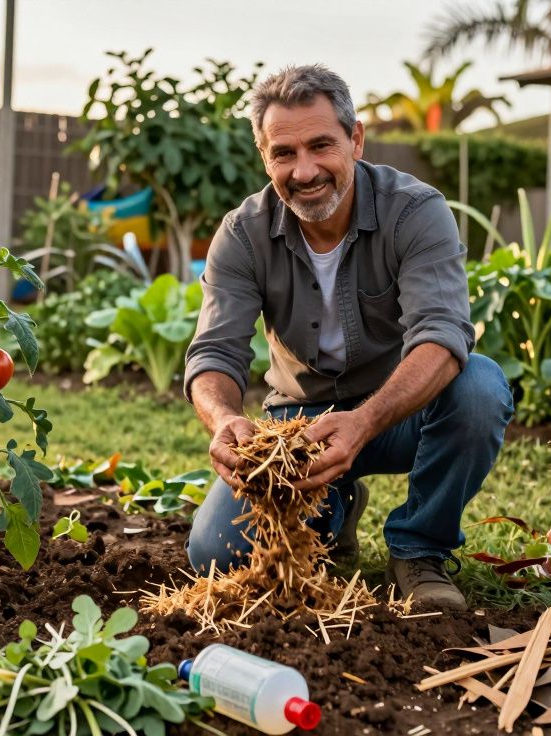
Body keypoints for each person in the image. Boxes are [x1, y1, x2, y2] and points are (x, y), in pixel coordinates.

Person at [182, 64, 513, 610]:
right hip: (298, 424)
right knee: (217, 555)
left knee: (480, 388)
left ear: (355, 139)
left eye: (321, 145)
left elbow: (442, 333)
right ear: (264, 156)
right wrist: (223, 420)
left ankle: (418, 549)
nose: (305, 170)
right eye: (283, 153)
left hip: (400, 410)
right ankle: (333, 506)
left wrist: (363, 422)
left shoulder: (415, 210)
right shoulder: (243, 233)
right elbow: (215, 351)